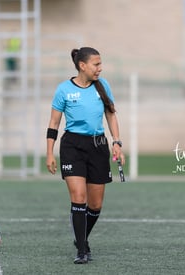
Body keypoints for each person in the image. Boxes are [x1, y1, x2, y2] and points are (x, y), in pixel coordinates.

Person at [46, 47, 125, 264]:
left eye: (100, 64)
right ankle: (82, 249)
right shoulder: (63, 89)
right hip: (72, 146)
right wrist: (49, 153)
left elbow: (111, 115)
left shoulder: (103, 86)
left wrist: (116, 142)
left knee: (96, 205)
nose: (100, 68)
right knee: (78, 197)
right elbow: (54, 124)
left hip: (98, 147)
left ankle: (81, 238)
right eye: (96, 64)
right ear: (83, 66)